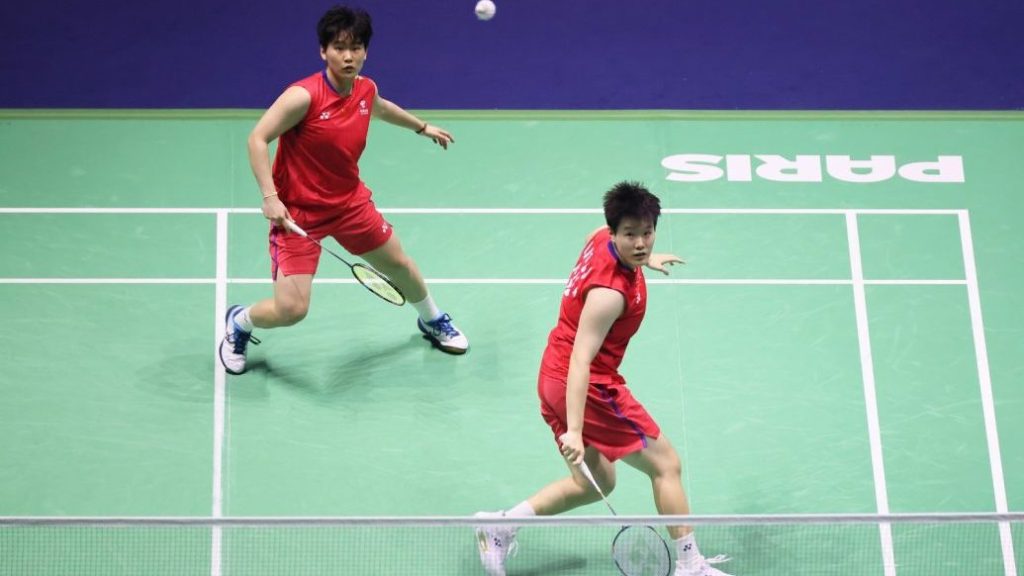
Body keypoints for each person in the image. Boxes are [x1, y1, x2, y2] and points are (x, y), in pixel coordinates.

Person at [474, 182, 731, 576]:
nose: (640, 243)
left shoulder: (600, 238)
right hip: (586, 384)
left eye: (647, 233)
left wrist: (645, 259)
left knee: (596, 482)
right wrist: (575, 431)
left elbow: (593, 241)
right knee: (666, 465)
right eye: (630, 235)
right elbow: (582, 360)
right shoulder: (609, 294)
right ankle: (690, 565)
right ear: (614, 232)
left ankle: (499, 526)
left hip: (552, 373)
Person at [219, 5, 468, 375]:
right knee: (292, 310)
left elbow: (380, 108)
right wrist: (270, 198)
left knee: (399, 264)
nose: (348, 56)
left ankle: (432, 319)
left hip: (349, 204)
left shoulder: (365, 89)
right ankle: (240, 322)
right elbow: (257, 139)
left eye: (356, 47)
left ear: (365, 51)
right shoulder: (303, 96)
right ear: (323, 51)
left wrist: (421, 127)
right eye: (339, 47)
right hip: (298, 214)